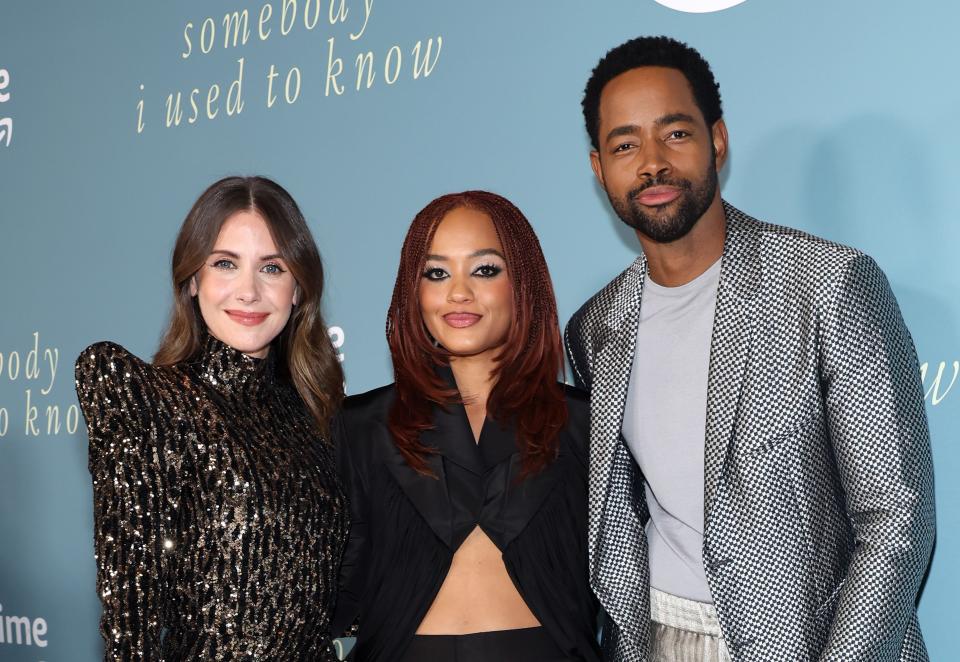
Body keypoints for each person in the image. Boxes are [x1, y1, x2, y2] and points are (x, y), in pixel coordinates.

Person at [565, 36, 935, 662]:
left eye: (674, 134)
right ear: (600, 168)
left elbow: (897, 519)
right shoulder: (596, 327)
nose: (651, 163)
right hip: (658, 638)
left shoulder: (829, 283)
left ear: (718, 139)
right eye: (625, 144)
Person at [75, 176, 348, 660]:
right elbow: (130, 622)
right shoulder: (147, 398)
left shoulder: (317, 415)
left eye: (272, 267)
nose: (249, 291)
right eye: (225, 263)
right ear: (193, 279)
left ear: (298, 289)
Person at [333, 190, 601, 662]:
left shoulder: (585, 421)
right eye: (436, 273)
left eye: (484, 269)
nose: (459, 292)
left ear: (523, 283)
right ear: (412, 292)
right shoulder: (361, 428)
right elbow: (333, 591)